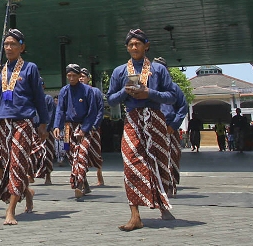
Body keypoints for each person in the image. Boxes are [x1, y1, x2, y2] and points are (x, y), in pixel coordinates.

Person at [107, 28, 177, 231]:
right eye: (130, 44)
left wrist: (149, 92)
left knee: (158, 162)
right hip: (132, 118)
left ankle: (163, 206)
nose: (134, 47)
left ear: (147, 46)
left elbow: (172, 96)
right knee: (130, 163)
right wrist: (124, 92)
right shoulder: (120, 71)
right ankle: (135, 215)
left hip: (155, 118)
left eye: (138, 44)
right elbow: (111, 99)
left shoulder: (158, 69)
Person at [0, 29, 49, 226]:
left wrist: (43, 123)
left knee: (18, 163)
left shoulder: (30, 68)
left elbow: (39, 98)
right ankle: (26, 191)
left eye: (13, 44)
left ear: (22, 47)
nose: (9, 47)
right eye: (6, 44)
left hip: (23, 121)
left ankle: (10, 210)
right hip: (2, 121)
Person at [53, 64, 100, 200]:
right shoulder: (64, 91)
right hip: (68, 128)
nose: (72, 78)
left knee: (82, 154)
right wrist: (57, 126)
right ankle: (83, 181)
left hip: (83, 126)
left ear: (80, 76)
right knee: (71, 154)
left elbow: (93, 111)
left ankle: (78, 185)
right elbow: (60, 109)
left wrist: (85, 129)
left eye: (74, 75)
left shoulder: (87, 91)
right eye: (69, 76)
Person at [153, 57, 188, 196]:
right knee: (154, 158)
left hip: (169, 128)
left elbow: (183, 108)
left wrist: (173, 125)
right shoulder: (148, 88)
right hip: (152, 128)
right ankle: (157, 187)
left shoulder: (174, 88)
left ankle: (170, 186)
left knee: (171, 157)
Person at [79, 68, 105, 187]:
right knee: (79, 153)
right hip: (78, 127)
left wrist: (95, 126)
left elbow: (100, 110)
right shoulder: (75, 91)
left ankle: (100, 176)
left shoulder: (95, 91)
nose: (81, 78)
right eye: (79, 76)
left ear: (88, 78)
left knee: (96, 152)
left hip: (93, 126)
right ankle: (82, 179)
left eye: (83, 76)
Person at [35, 78, 56, 186]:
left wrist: (47, 129)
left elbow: (51, 115)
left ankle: (48, 176)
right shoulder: (31, 99)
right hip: (34, 129)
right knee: (32, 153)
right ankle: (31, 175)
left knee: (47, 153)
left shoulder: (48, 98)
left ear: (43, 86)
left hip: (47, 129)